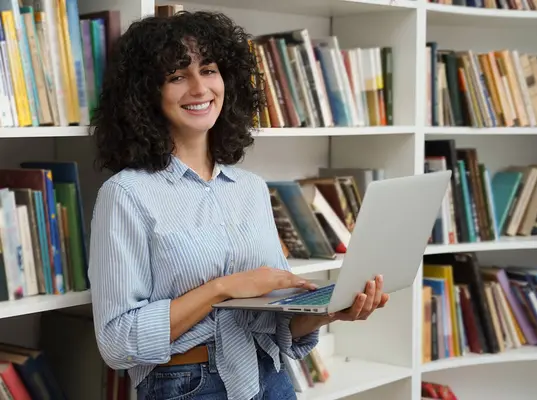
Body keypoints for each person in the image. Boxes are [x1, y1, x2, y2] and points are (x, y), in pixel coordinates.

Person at [87, 10, 390, 400]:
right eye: (178, 76)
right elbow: (117, 342)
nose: (199, 88)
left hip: (272, 377)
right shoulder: (126, 194)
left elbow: (277, 321)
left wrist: (333, 310)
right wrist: (223, 289)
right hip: (189, 386)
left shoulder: (250, 188)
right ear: (147, 93)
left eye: (209, 70)